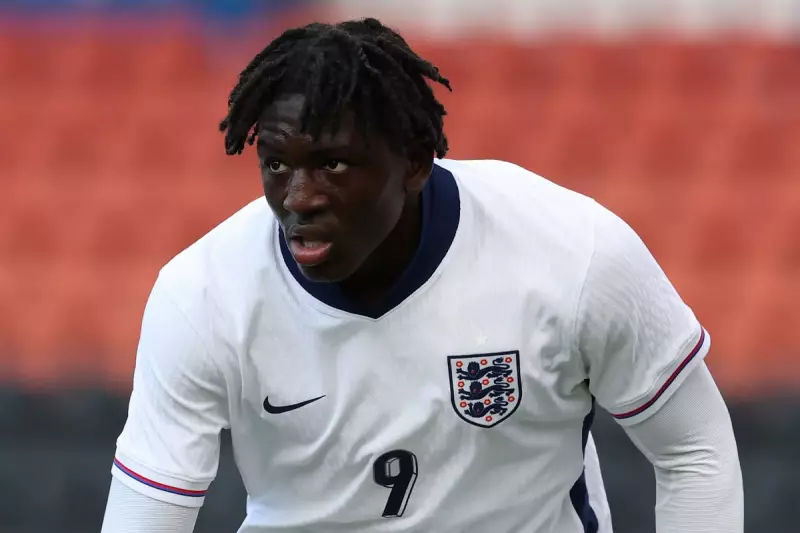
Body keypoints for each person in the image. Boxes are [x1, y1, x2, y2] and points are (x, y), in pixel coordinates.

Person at [100, 17, 743, 533]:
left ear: (413, 161)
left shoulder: (575, 253)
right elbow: (145, 516)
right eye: (276, 165)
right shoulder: (201, 296)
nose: (297, 198)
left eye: (333, 165)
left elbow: (694, 451)